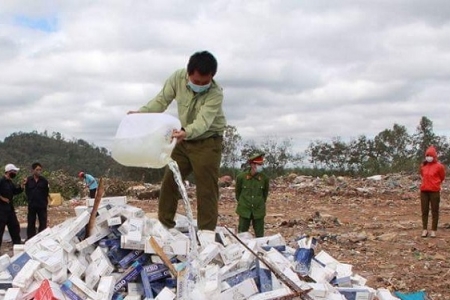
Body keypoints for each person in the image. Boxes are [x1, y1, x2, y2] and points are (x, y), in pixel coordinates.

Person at [128, 51, 226, 231]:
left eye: (205, 83)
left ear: (212, 77)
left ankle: (206, 232)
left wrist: (186, 132)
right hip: (182, 140)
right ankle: (164, 225)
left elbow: (203, 122)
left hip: (207, 141)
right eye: (196, 82)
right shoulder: (177, 78)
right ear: (189, 73)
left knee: (206, 188)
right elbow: (161, 100)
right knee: (170, 181)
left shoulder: (215, 93)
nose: (201, 85)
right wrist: (141, 114)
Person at [235, 153, 270, 237]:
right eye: (258, 164)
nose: (260, 166)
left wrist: (259, 203)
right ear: (252, 164)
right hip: (244, 210)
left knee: (260, 235)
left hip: (258, 210)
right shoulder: (241, 177)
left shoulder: (264, 178)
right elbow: (238, 193)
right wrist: (243, 203)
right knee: (242, 234)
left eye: (261, 164)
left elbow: (265, 194)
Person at [419, 145, 445, 238]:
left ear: (434, 156)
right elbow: (422, 175)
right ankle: (424, 229)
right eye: (427, 155)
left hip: (434, 191)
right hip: (424, 191)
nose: (428, 157)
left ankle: (433, 230)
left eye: (430, 155)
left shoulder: (439, 166)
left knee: (435, 211)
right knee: (424, 211)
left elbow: (442, 177)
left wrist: (436, 184)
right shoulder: (423, 166)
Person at [0, 164, 24, 250]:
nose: (15, 173)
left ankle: (17, 247)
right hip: (1, 211)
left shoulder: (10, 182)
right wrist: (2, 198)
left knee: (15, 227)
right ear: (9, 172)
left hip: (10, 210)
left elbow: (15, 191)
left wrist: (21, 186)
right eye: (14, 171)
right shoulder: (1, 181)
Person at [24, 162, 50, 239]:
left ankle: (41, 238)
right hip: (32, 205)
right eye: (37, 169)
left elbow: (46, 192)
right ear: (33, 170)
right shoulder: (28, 180)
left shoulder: (44, 181)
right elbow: (27, 191)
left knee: (43, 222)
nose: (39, 171)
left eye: (40, 170)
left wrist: (45, 202)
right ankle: (31, 238)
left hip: (42, 205)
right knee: (31, 222)